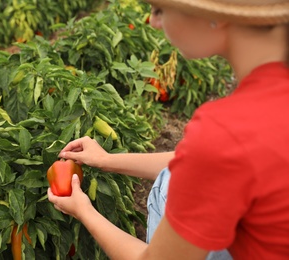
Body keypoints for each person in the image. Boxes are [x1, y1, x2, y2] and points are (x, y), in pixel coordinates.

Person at [48, 0, 289, 259]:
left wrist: (84, 210)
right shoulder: (259, 118)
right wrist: (107, 161)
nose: (153, 21)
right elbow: (205, 164)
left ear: (216, 16)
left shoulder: (226, 131)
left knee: (167, 184)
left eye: (160, 9)